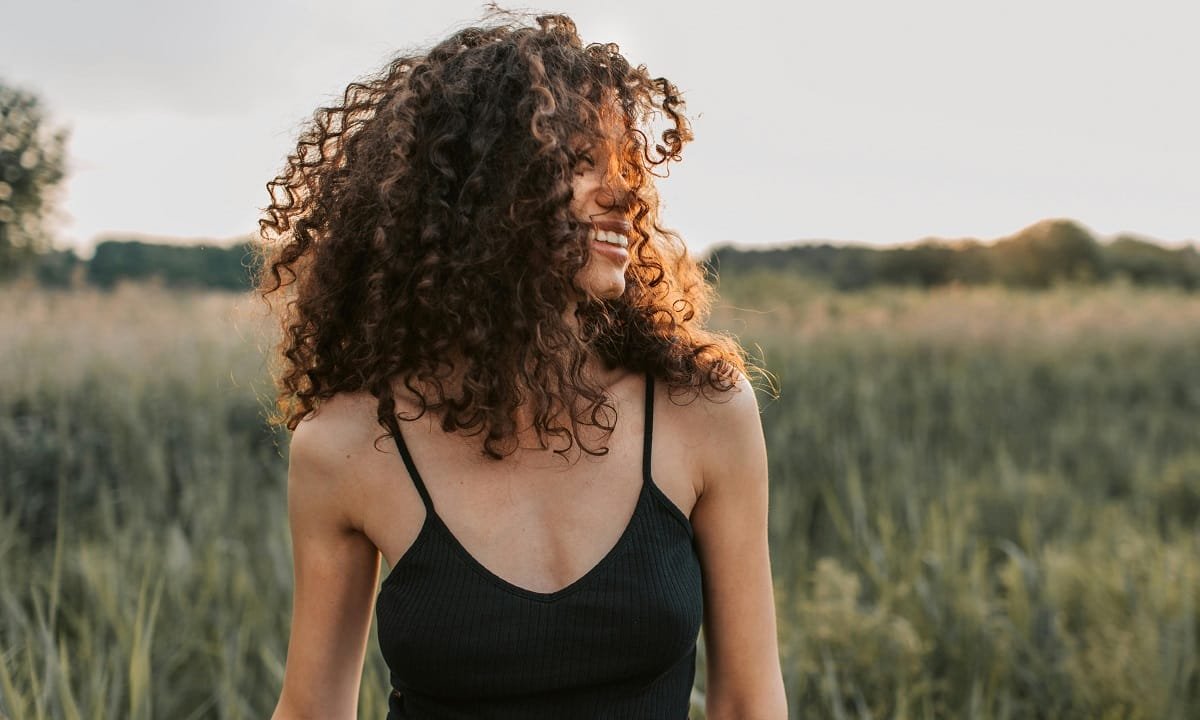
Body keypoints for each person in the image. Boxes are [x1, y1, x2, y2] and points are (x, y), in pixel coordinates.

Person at [258, 10, 786, 720]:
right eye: (578, 162)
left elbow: (750, 703)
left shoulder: (703, 411)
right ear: (479, 193)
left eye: (625, 164)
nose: (623, 192)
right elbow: (312, 710)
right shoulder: (347, 446)